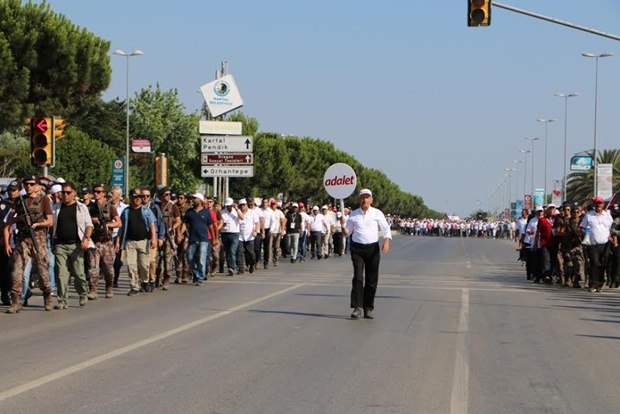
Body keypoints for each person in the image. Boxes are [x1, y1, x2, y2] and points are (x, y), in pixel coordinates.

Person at [4, 177, 54, 313]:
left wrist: (38, 224)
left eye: (32, 184)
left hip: (38, 238)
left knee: (42, 269)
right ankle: (16, 301)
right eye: (26, 184)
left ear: (37, 186)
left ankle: (47, 296)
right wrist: (18, 218)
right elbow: (9, 221)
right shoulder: (19, 201)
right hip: (23, 239)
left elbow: (50, 221)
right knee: (17, 270)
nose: (29, 186)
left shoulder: (43, 200)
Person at [343, 189, 392, 320]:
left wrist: (386, 242)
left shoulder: (377, 213)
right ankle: (357, 307)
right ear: (359, 199)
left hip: (372, 249)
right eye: (362, 197)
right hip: (357, 248)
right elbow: (348, 232)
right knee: (358, 277)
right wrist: (343, 227)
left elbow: (385, 228)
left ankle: (368, 308)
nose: (364, 200)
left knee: (371, 279)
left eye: (367, 197)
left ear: (371, 200)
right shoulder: (353, 214)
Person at [52, 181, 94, 309]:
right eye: (63, 192)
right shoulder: (56, 207)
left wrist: (86, 238)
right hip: (60, 245)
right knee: (61, 273)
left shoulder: (81, 207)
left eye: (68, 192)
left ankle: (83, 292)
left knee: (78, 273)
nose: (65, 195)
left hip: (76, 245)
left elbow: (89, 225)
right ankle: (62, 300)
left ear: (74, 193)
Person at [118, 188, 158, 296]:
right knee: (131, 265)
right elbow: (121, 227)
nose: (138, 199)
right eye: (135, 197)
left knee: (144, 265)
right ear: (131, 198)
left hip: (143, 241)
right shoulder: (126, 211)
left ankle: (145, 281)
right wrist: (118, 241)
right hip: (130, 242)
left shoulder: (146, 210)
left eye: (139, 197)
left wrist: (154, 238)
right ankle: (134, 286)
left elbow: (152, 224)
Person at [87, 183, 121, 299]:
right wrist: (93, 220)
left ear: (104, 193)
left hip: (107, 242)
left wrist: (108, 225)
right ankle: (93, 290)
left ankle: (109, 285)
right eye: (94, 192)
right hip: (94, 241)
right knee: (93, 267)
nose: (96, 194)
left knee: (108, 268)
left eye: (98, 192)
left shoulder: (109, 207)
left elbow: (118, 222)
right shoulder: (90, 208)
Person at [180, 193, 217, 286]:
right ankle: (196, 274)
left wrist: (214, 238)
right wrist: (180, 234)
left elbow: (210, 226)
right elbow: (185, 224)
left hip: (203, 239)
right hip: (192, 239)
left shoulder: (206, 212)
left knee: (201, 258)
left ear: (200, 200)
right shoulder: (189, 212)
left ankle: (200, 277)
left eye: (195, 198)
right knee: (190, 257)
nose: (192, 200)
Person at [579, 196, 613, 292]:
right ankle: (592, 284)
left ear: (603, 204)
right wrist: (586, 234)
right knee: (594, 263)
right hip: (593, 244)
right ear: (594, 204)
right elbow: (582, 228)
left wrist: (609, 236)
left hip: (605, 244)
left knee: (603, 264)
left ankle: (599, 284)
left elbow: (609, 228)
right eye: (597, 203)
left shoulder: (607, 216)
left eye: (600, 203)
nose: (598, 205)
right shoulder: (589, 216)